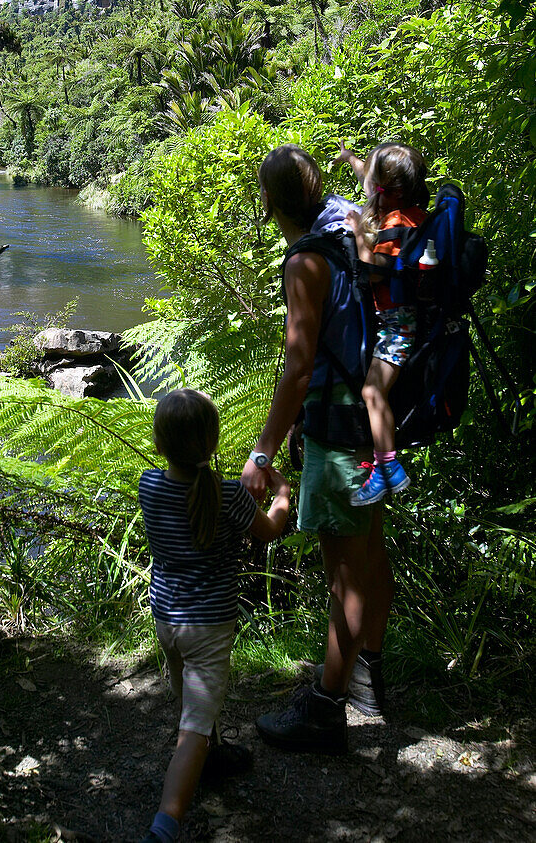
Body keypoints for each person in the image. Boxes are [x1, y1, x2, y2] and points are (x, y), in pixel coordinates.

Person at [242, 144, 394, 754]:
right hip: (373, 419)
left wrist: (262, 451)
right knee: (369, 554)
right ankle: (368, 680)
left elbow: (298, 365)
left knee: (343, 577)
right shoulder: (348, 236)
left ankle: (327, 707)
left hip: (337, 429)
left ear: (271, 203)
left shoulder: (307, 260)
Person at [139, 388, 291, 843]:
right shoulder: (231, 496)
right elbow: (271, 529)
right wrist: (281, 492)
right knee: (194, 729)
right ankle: (164, 828)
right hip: (209, 624)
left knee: (189, 699)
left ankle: (215, 754)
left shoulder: (150, 485)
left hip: (167, 619)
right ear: (214, 443)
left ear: (159, 444)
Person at [335, 141, 429, 505]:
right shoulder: (414, 213)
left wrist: (359, 232)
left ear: (386, 191)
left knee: (372, 393)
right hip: (403, 321)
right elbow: (371, 179)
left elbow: (374, 273)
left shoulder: (394, 224)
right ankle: (385, 463)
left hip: (396, 324)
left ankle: (388, 468)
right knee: (376, 393)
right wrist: (350, 159)